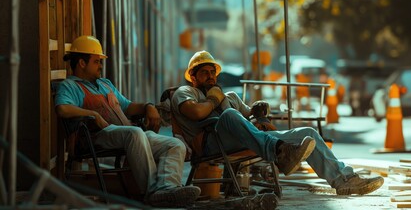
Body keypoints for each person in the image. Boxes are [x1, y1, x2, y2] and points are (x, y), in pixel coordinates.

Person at [171, 50, 384, 196]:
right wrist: (214, 99)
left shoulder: (230, 97)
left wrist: (260, 114)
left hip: (248, 140)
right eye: (204, 73)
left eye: (212, 72)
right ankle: (279, 151)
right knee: (228, 116)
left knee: (306, 132)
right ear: (193, 76)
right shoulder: (185, 92)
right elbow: (197, 112)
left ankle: (343, 180)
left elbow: (254, 121)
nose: (210, 77)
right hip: (211, 143)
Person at [55, 35, 200, 208]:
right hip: (95, 137)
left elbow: (128, 106)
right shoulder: (70, 86)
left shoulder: (104, 84)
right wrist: (93, 114)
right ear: (81, 63)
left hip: (126, 135)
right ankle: (153, 192)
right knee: (135, 132)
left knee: (175, 144)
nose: (101, 66)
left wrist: (148, 106)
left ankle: (167, 189)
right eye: (96, 61)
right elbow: (62, 109)